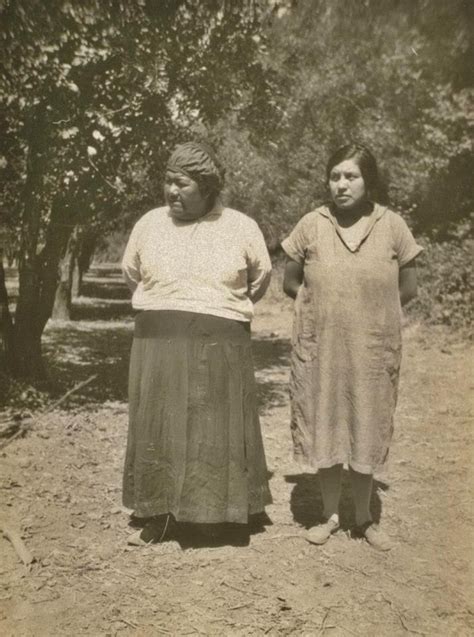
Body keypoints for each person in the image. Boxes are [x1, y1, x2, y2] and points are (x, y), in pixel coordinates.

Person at [121, 141, 272, 544]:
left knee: (213, 427)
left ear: (207, 188)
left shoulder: (241, 226)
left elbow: (259, 279)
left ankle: (218, 516)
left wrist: (212, 310)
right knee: (160, 427)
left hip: (220, 343)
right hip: (157, 342)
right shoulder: (149, 224)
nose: (172, 192)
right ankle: (159, 512)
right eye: (168, 182)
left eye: (183, 184)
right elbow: (132, 274)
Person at [281, 143, 423, 551]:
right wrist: (321, 309)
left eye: (351, 176)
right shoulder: (311, 224)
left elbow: (407, 289)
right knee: (324, 423)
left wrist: (369, 315)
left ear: (369, 180)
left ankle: (363, 518)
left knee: (367, 423)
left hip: (372, 349)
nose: (341, 184)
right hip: (321, 345)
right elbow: (291, 281)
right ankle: (327, 515)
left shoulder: (392, 225)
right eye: (335, 176)